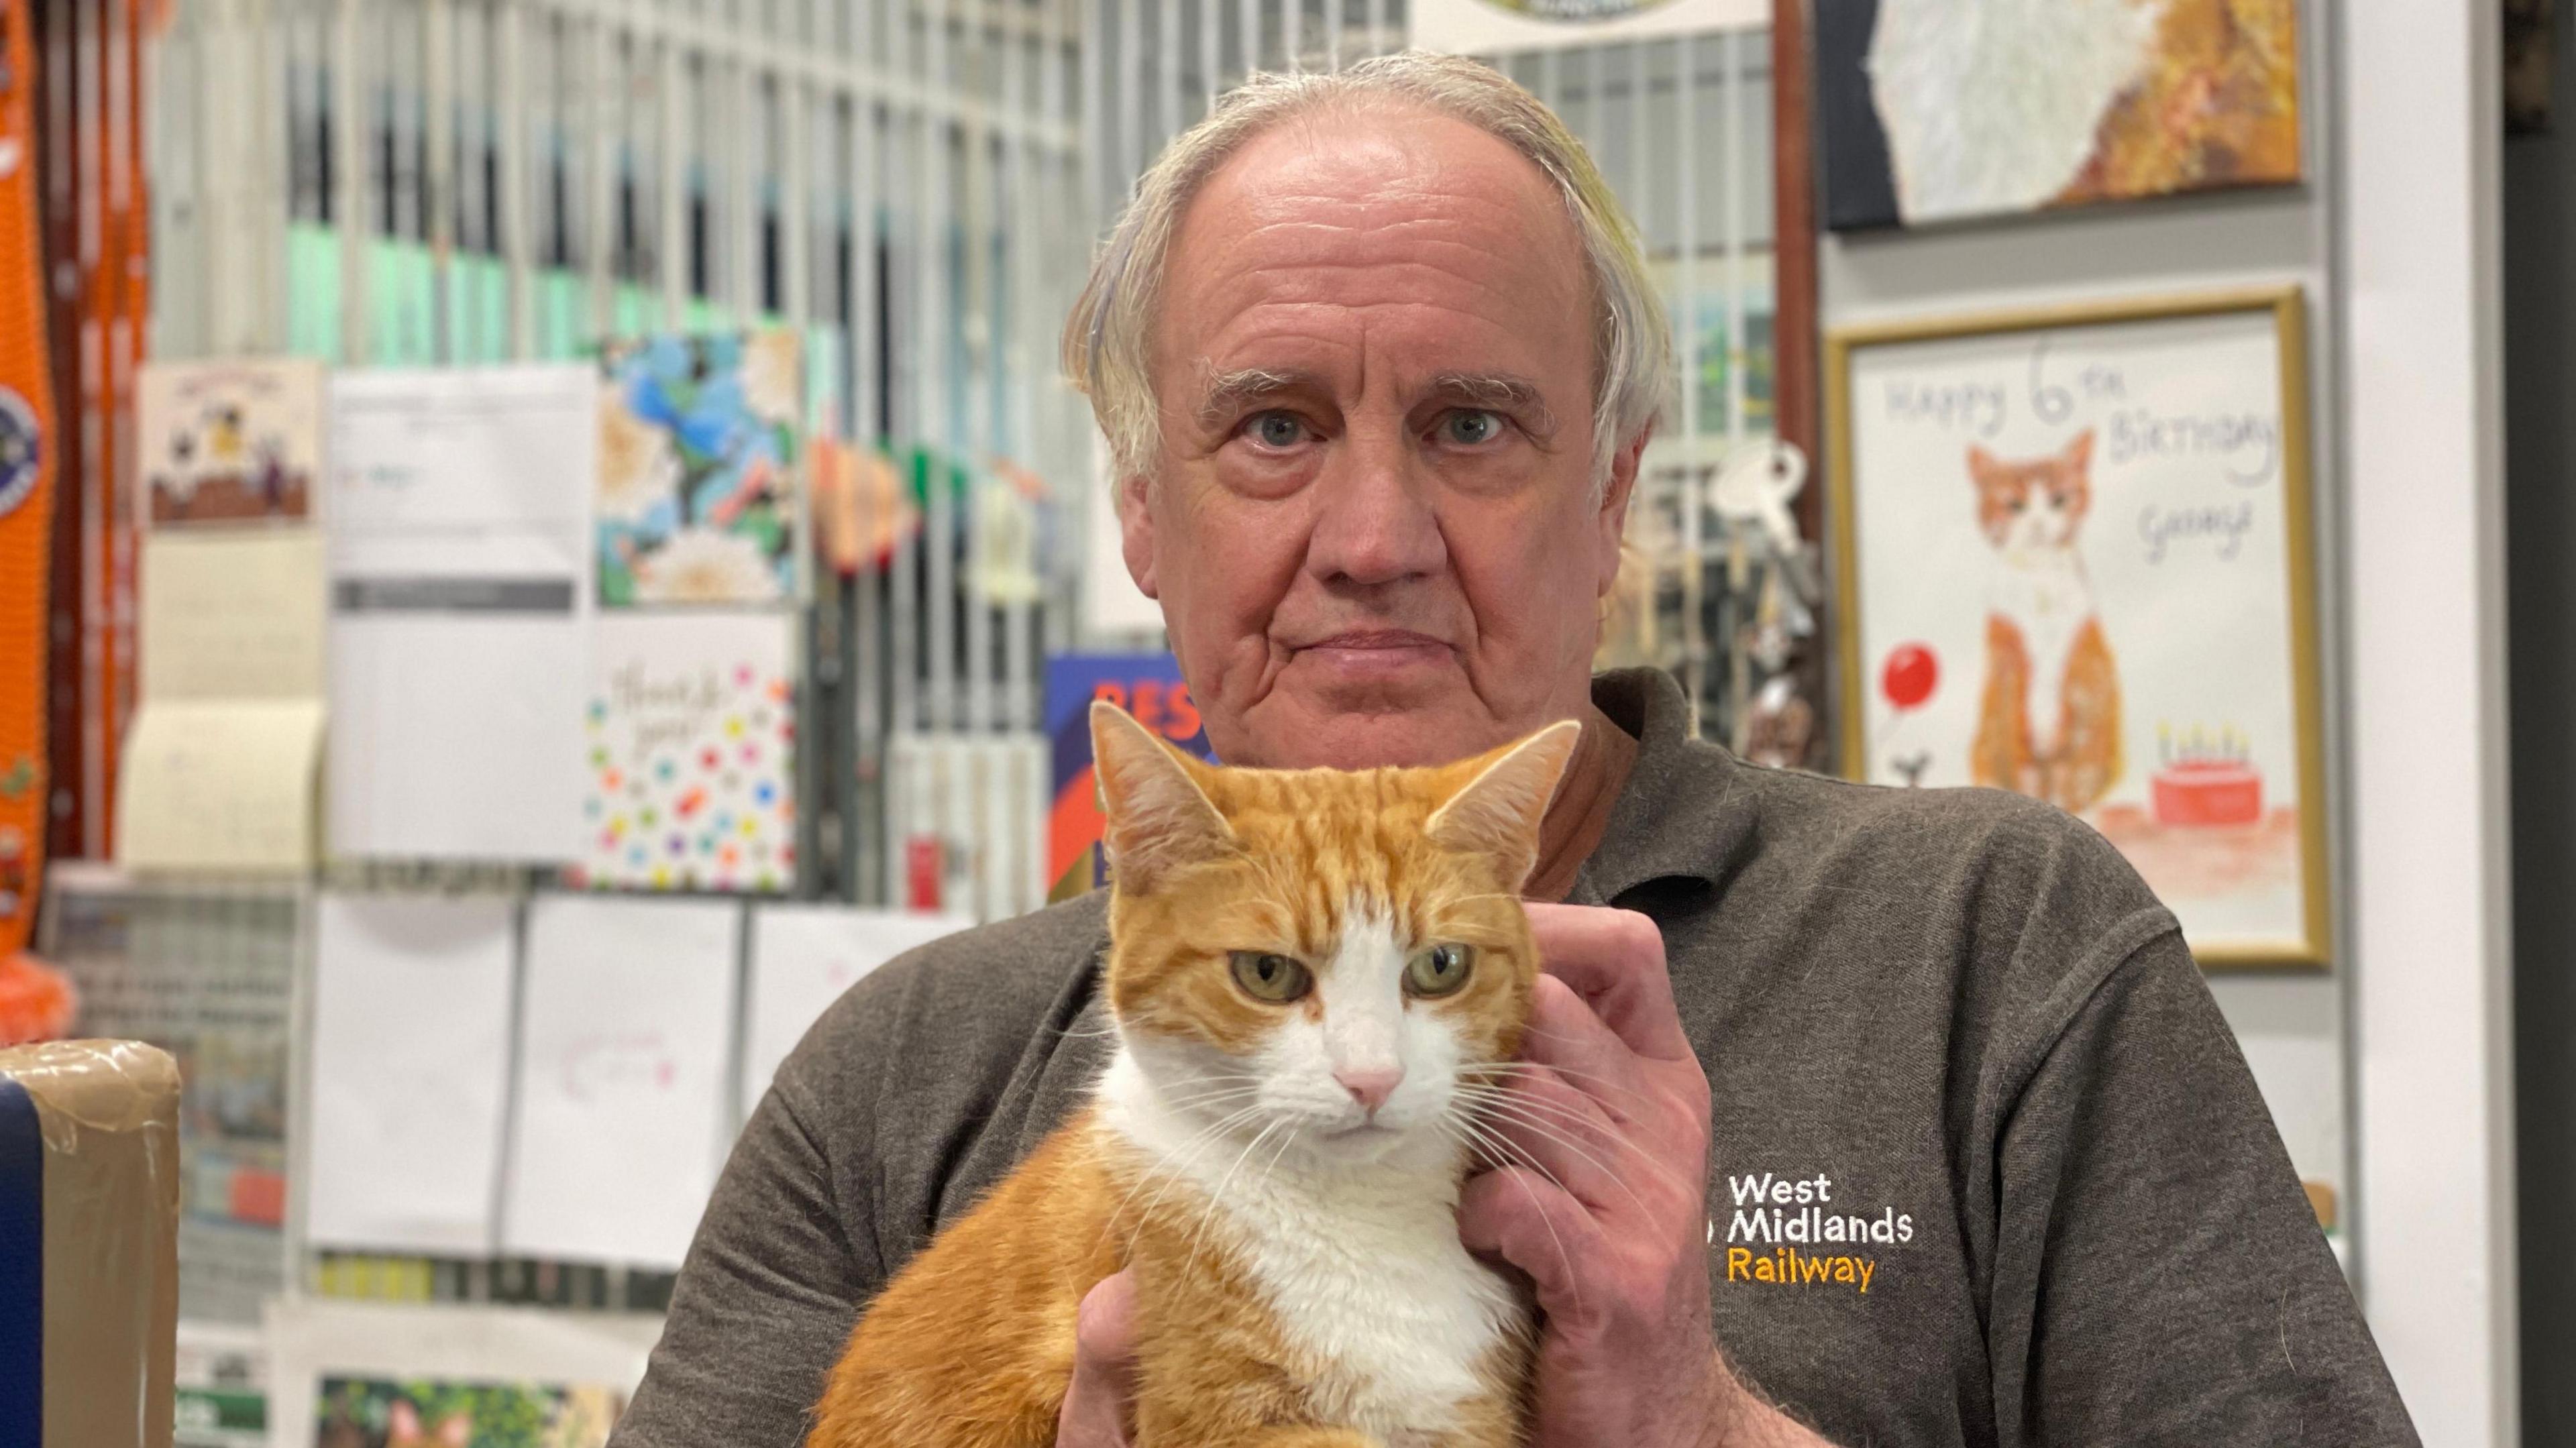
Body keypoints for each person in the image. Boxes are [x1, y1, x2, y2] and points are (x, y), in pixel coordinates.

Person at [609, 52, 2418, 1448]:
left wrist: (1701, 1419)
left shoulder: (1992, 950)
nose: (1375, 532)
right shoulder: (907, 1078)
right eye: (1273, 427)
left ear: (1614, 494)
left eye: (1473, 425)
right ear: (1144, 513)